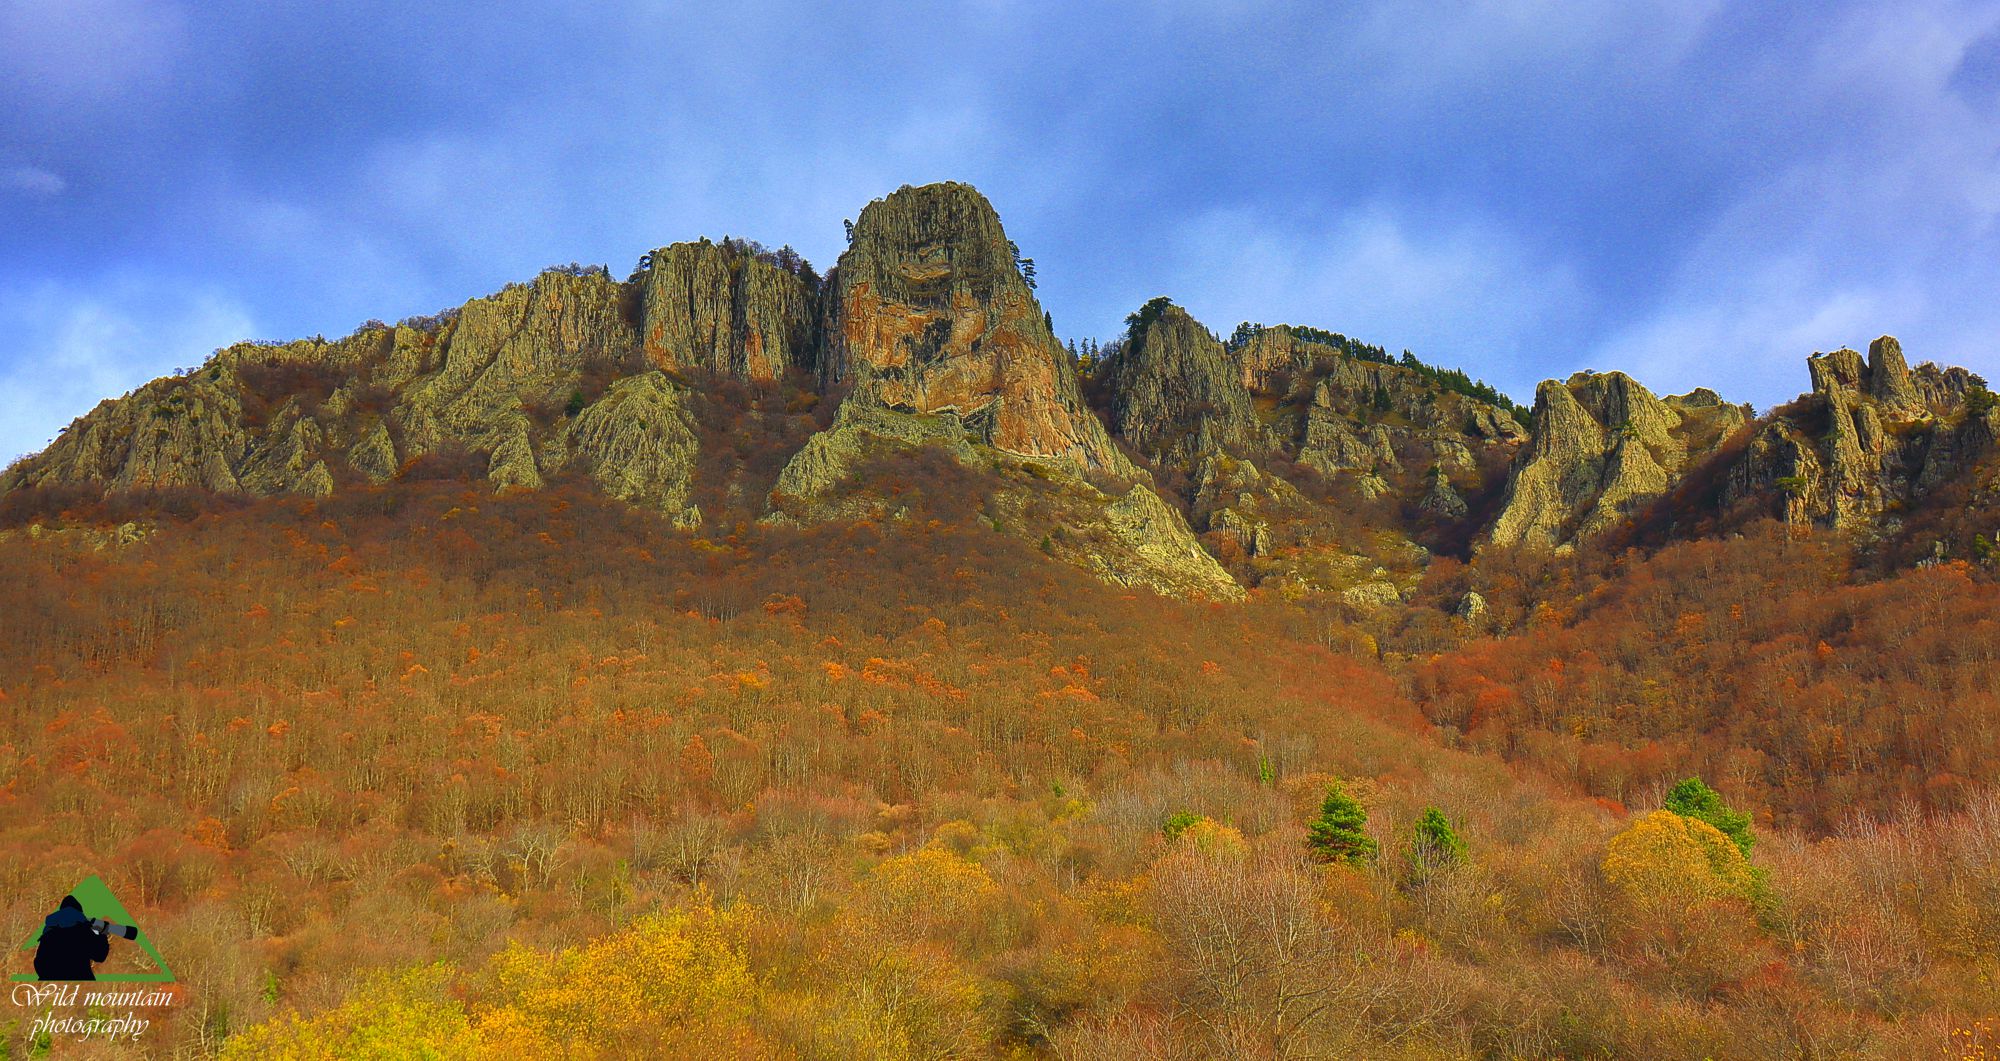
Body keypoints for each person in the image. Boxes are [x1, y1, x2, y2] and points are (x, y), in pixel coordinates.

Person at [33, 895, 108, 981]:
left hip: (53, 984)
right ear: (79, 913)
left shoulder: (49, 933)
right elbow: (100, 956)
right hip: (80, 981)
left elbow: (39, 963)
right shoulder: (84, 931)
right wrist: (102, 934)